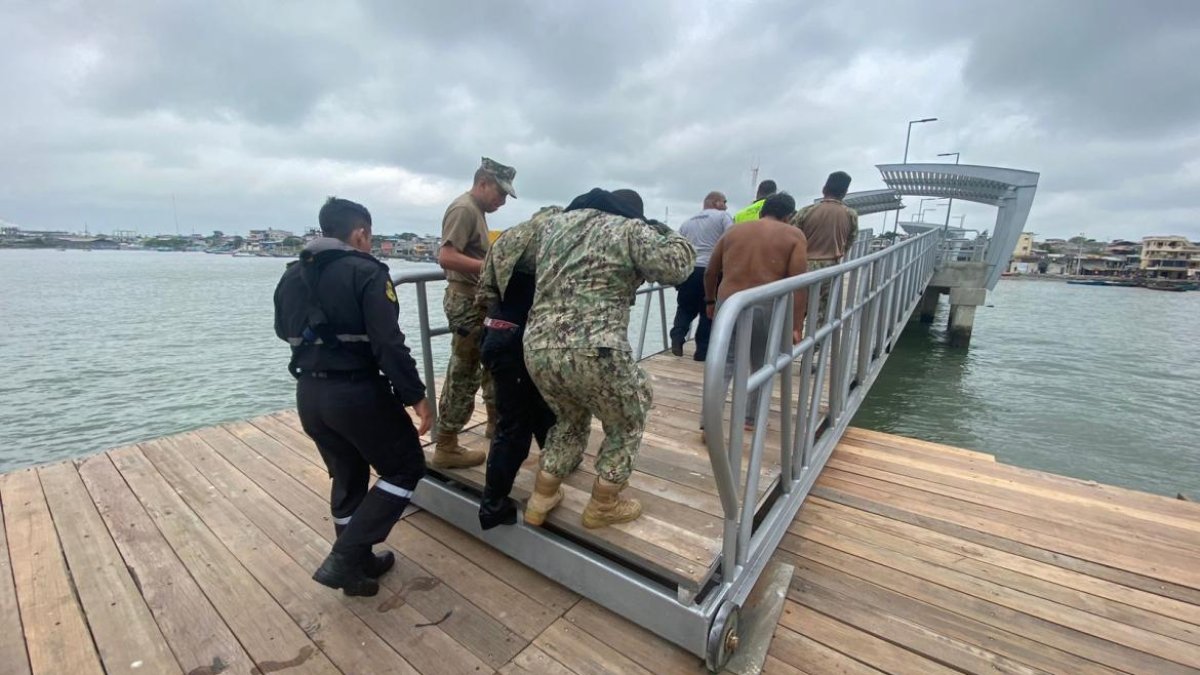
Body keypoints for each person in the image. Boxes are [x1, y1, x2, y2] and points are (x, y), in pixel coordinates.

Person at [274, 197, 434, 597]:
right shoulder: (367, 272)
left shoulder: (292, 276)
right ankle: (345, 556)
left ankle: (358, 566)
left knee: (348, 473)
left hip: (309, 393)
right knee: (405, 467)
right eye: (370, 236)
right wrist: (414, 395)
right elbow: (388, 344)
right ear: (360, 233)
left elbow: (282, 330)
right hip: (356, 392)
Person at [522, 188, 695, 529]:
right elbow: (677, 268)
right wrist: (665, 231)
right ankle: (603, 504)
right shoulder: (630, 229)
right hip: (596, 348)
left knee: (569, 421)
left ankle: (540, 499)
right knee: (627, 420)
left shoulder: (552, 227)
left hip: (538, 347)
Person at [474, 205, 562, 530]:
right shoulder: (555, 240)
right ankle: (492, 506)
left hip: (495, 329)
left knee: (541, 408)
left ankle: (556, 462)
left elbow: (484, 288)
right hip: (523, 339)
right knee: (514, 428)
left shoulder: (509, 236)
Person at [435, 157, 517, 469]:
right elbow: (446, 256)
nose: (502, 200)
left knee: (491, 365)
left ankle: (495, 425)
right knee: (464, 372)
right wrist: (491, 267)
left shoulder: (478, 211)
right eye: (500, 193)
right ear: (482, 183)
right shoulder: (464, 208)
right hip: (465, 303)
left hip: (479, 302)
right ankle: (446, 443)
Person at [704, 193, 808, 427]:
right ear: (788, 216)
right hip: (766, 303)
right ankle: (749, 419)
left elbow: (710, 272)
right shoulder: (794, 235)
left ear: (761, 212)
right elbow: (798, 284)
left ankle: (709, 422)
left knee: (723, 364)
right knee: (762, 363)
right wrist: (796, 325)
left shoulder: (733, 231)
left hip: (729, 303)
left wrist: (710, 301)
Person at [670, 191, 733, 361]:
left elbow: (677, 247)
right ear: (715, 202)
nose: (726, 205)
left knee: (684, 307)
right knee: (709, 310)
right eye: (724, 201)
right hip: (712, 270)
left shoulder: (687, 222)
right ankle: (702, 351)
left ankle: (677, 335)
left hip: (689, 270)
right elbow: (731, 238)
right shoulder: (723, 217)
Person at [790, 171, 858, 324]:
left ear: (824, 189)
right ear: (845, 192)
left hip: (803, 265)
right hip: (830, 267)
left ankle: (790, 338)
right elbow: (850, 241)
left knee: (796, 310)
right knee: (821, 315)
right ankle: (815, 345)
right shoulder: (850, 214)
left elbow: (791, 235)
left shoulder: (806, 211)